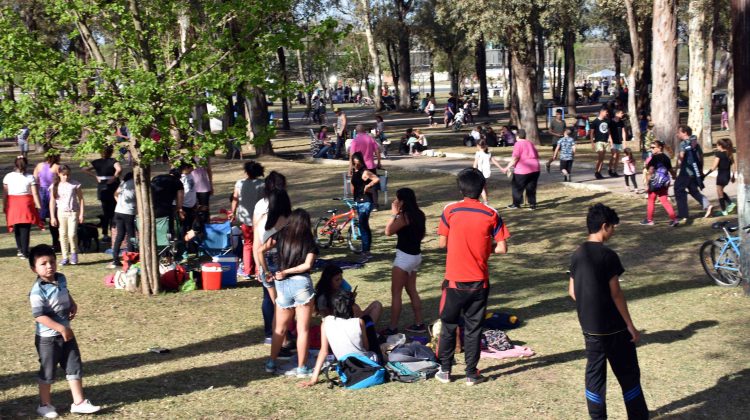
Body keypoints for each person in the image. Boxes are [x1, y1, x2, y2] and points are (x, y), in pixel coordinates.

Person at [568, 204, 648, 420]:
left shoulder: (577, 254)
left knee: (595, 376)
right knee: (628, 374)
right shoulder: (608, 255)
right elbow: (616, 294)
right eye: (613, 227)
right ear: (605, 226)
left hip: (590, 329)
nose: (613, 232)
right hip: (614, 329)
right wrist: (630, 325)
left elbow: (572, 291)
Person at [436, 168, 510, 386]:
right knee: (473, 327)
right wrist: (484, 249)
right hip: (479, 282)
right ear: (482, 189)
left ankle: (445, 370)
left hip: (454, 281)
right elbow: (502, 248)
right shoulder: (491, 214)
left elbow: (442, 243)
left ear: (460, 189)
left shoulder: (450, 211)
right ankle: (470, 373)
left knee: (449, 325)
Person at [28, 244, 101, 418]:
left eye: (52, 261)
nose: (49, 266)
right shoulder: (37, 291)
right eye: (43, 263)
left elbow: (64, 292)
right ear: (34, 268)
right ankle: (44, 405)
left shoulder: (60, 278)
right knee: (48, 371)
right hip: (48, 339)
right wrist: (61, 328)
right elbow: (39, 316)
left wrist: (72, 302)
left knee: (74, 366)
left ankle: (79, 403)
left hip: (66, 334)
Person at [262, 209, 319, 378]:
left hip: (282, 286)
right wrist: (288, 271)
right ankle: (302, 367)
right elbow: (307, 266)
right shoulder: (309, 240)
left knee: (279, 329)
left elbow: (261, 249)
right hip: (301, 284)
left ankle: (271, 362)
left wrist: (265, 270)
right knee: (303, 330)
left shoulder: (279, 235)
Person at [298, 290, 378, 388]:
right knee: (368, 321)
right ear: (351, 306)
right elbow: (366, 346)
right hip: (364, 363)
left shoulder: (326, 322)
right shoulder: (359, 322)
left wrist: (313, 379)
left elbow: (324, 351)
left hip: (346, 367)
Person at [383, 188, 426, 335]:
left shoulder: (403, 217)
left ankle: (392, 327)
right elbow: (422, 234)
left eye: (397, 199)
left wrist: (393, 215)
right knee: (412, 290)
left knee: (396, 293)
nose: (395, 202)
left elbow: (388, 231)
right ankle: (419, 323)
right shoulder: (420, 214)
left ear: (402, 201)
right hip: (416, 257)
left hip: (404, 258)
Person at [254, 179, 292, 345]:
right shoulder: (288, 221)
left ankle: (277, 339)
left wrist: (261, 268)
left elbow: (257, 246)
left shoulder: (262, 219)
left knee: (276, 304)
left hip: (266, 265)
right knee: (284, 305)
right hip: (282, 263)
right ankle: (284, 340)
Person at [230, 160, 265, 279]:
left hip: (245, 219)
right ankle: (258, 269)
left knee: (247, 244)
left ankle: (247, 269)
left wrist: (232, 212)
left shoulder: (239, 183)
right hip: (259, 219)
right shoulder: (262, 184)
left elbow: (235, 199)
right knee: (259, 244)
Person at [3, 156, 44, 258]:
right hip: (26, 204)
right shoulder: (30, 177)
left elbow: (5, 194)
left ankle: (20, 249)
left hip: (13, 204)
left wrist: (4, 205)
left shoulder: (8, 176)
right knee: (25, 228)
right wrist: (39, 206)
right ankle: (25, 251)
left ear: (15, 164)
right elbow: (34, 193)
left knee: (17, 226)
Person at [674, 125, 712, 221]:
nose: (678, 134)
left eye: (679, 132)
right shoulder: (695, 143)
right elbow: (701, 157)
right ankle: (707, 205)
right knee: (693, 190)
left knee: (678, 190)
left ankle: (683, 214)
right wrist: (700, 170)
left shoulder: (683, 144)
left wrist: (677, 167)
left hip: (685, 172)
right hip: (695, 171)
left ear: (685, 133)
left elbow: (682, 157)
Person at [84, 146, 121, 241]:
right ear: (111, 152)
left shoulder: (96, 162)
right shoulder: (113, 161)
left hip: (102, 188)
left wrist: (95, 176)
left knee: (106, 212)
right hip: (113, 187)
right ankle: (113, 232)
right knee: (113, 212)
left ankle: (105, 234)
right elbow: (119, 169)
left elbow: (84, 169)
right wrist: (114, 177)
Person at [49, 165, 84, 266]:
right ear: (59, 174)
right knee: (63, 234)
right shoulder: (54, 186)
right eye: (64, 175)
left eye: (68, 175)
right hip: (61, 213)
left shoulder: (75, 185)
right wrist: (52, 216)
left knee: (72, 234)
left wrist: (81, 214)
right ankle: (65, 257)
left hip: (73, 212)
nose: (66, 177)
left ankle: (74, 253)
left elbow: (81, 199)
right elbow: (52, 201)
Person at [349, 152, 380, 262]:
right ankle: (366, 251)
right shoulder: (354, 171)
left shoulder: (365, 171)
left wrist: (368, 185)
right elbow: (353, 185)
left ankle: (366, 252)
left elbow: (376, 179)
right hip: (358, 201)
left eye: (358, 163)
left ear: (361, 161)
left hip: (366, 201)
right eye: (354, 163)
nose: (356, 165)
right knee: (364, 226)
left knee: (362, 225)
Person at [640, 140, 678, 227]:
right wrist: (674, 176)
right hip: (664, 183)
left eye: (653, 147)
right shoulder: (666, 158)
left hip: (655, 183)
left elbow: (650, 171)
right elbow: (671, 170)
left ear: (659, 147)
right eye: (651, 147)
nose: (651, 149)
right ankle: (674, 219)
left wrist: (647, 184)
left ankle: (649, 220)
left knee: (651, 200)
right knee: (664, 200)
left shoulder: (654, 158)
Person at [501, 129, 541, 210]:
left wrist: (507, 167)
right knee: (531, 187)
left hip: (523, 170)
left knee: (517, 187)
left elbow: (515, 157)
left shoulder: (518, 144)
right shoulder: (530, 143)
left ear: (517, 136)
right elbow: (536, 155)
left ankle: (516, 204)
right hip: (535, 168)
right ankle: (532, 204)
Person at [34, 151, 61, 251]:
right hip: (53, 192)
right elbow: (61, 179)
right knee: (54, 217)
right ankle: (55, 241)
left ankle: (55, 240)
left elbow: (35, 179)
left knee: (46, 216)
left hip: (42, 192)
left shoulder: (39, 165)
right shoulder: (57, 167)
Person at [349, 125, 382, 206]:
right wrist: (379, 162)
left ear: (356, 131)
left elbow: (351, 155)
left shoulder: (355, 141)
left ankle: (363, 202)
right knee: (373, 185)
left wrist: (350, 168)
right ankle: (375, 204)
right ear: (364, 130)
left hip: (359, 167)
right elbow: (377, 151)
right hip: (370, 165)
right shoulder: (370, 139)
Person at [109, 172, 136, 269]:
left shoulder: (123, 182)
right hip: (129, 212)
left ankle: (115, 259)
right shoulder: (136, 183)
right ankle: (130, 260)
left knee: (120, 235)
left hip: (118, 211)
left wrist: (120, 204)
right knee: (131, 236)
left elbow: (115, 194)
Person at [704, 138, 736, 216]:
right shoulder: (729, 153)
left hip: (721, 176)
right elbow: (734, 165)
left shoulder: (719, 154)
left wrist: (705, 175)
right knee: (720, 191)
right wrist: (733, 176)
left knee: (719, 193)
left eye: (717, 145)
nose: (716, 147)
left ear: (721, 146)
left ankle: (724, 210)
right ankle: (730, 204)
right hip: (727, 176)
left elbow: (714, 167)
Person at [150, 167, 185, 236]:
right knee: (168, 228)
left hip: (152, 207)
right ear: (179, 176)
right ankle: (169, 242)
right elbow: (180, 198)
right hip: (166, 208)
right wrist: (179, 209)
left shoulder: (156, 178)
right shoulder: (177, 182)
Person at [179, 162, 198, 244]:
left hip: (192, 205)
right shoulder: (180, 178)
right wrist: (180, 209)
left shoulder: (190, 175)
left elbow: (193, 190)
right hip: (184, 206)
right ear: (186, 168)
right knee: (184, 227)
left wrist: (196, 201)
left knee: (192, 226)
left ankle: (192, 245)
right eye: (192, 167)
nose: (194, 168)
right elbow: (179, 195)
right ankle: (183, 245)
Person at [589, 108, 611, 179]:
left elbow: (608, 131)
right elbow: (591, 133)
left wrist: (610, 139)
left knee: (602, 158)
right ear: (601, 112)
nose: (607, 114)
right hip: (598, 141)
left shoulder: (607, 121)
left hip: (605, 141)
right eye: (606, 112)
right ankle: (596, 171)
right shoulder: (595, 121)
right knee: (600, 156)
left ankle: (599, 172)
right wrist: (592, 142)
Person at [192, 155, 213, 225]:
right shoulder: (187, 158)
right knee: (194, 209)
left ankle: (206, 225)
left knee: (205, 209)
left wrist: (211, 184)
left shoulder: (204, 157)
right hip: (191, 188)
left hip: (203, 187)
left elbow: (209, 171)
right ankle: (196, 226)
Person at [607, 110, 627, 177]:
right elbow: (609, 132)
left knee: (617, 157)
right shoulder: (611, 122)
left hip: (619, 141)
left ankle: (615, 171)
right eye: (621, 113)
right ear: (617, 114)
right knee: (614, 156)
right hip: (613, 141)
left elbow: (623, 132)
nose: (622, 114)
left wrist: (624, 142)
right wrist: (611, 141)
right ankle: (610, 169)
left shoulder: (621, 122)